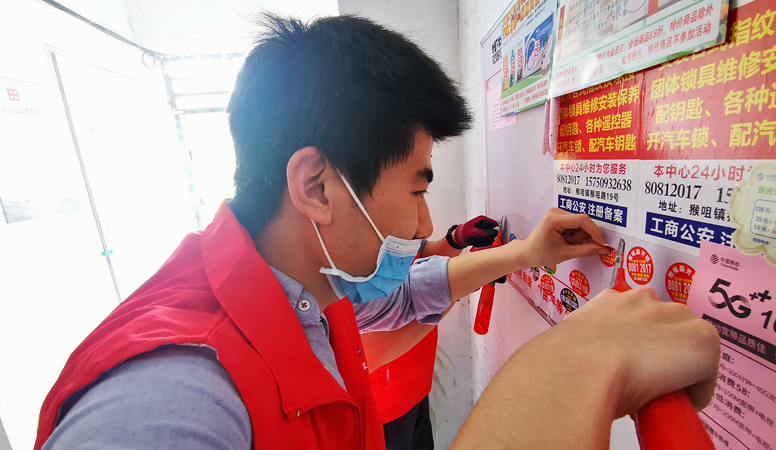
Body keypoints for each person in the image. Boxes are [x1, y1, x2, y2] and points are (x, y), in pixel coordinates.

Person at [35, 14, 720, 450]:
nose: (426, 225)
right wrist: (567, 367)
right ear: (317, 187)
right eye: (418, 189)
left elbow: (412, 292)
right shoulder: (175, 396)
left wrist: (528, 253)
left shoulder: (308, 291)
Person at [358, 216, 500, 450]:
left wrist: (456, 239)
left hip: (417, 386)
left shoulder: (394, 229)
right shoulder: (347, 262)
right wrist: (465, 280)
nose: (425, 224)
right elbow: (376, 351)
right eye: (415, 197)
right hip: (384, 407)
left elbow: (421, 257)